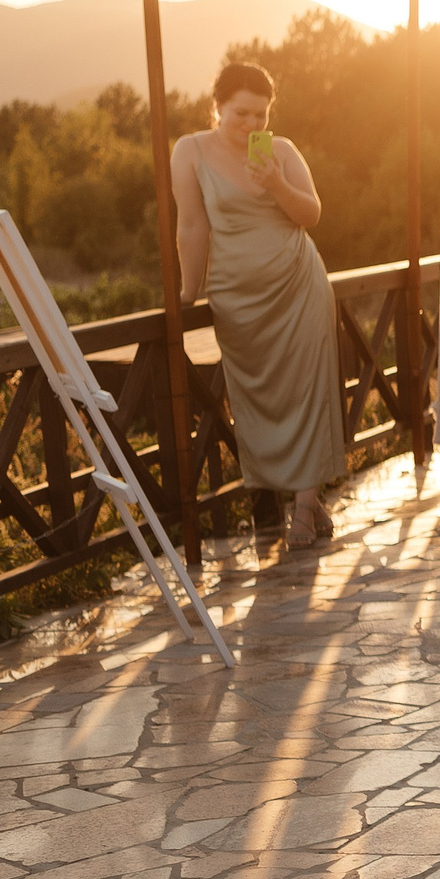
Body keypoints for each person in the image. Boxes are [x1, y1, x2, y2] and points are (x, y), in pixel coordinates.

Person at [170, 62, 347, 550]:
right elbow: (191, 227)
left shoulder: (283, 152)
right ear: (218, 107)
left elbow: (310, 214)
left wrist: (275, 184)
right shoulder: (189, 151)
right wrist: (188, 294)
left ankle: (306, 507)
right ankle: (286, 496)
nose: (252, 125)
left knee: (309, 390)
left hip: (299, 285)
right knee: (256, 402)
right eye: (241, 114)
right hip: (238, 297)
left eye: (261, 115)